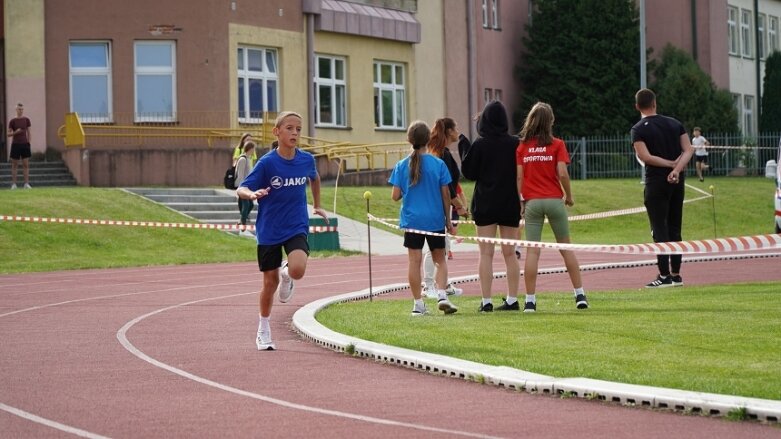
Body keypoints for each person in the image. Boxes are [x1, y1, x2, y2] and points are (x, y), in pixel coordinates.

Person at [236, 111, 328, 350]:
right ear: (277, 132)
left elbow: (315, 178)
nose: (295, 133)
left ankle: (288, 274)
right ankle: (263, 329)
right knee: (270, 282)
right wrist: (252, 194)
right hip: (269, 229)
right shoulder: (267, 163)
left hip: (296, 224)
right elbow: (241, 188)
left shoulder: (306, 160)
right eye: (289, 128)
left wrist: (317, 204)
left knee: (297, 269)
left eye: (298, 128)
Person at [516, 102, 588, 312]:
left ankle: (530, 300)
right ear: (551, 122)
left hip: (532, 202)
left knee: (532, 252)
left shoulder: (522, 147)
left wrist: (520, 200)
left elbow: (519, 176)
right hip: (554, 200)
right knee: (566, 248)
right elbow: (563, 173)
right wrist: (569, 196)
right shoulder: (557, 144)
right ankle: (580, 294)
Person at [389, 120, 458, 316]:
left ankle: (418, 304)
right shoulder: (438, 164)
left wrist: (408, 189)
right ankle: (442, 295)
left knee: (414, 262)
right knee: (440, 260)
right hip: (434, 219)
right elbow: (446, 195)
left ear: (409, 140)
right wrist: (448, 221)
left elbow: (395, 196)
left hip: (412, 221)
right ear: (428, 139)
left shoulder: (402, 166)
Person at [460, 100, 521, 312]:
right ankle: (512, 299)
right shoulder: (516, 144)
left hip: (485, 203)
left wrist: (463, 147)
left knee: (485, 254)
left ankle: (486, 301)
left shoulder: (480, 144)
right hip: (510, 202)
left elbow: (469, 173)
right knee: (510, 253)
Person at [631, 88, 694, 288]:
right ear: (655, 103)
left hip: (656, 182)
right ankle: (676, 274)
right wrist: (676, 169)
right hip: (677, 182)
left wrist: (668, 165)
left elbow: (645, 157)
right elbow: (688, 149)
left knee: (659, 228)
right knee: (675, 226)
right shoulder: (675, 124)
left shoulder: (638, 129)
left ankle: (664, 275)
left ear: (637, 107)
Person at [422, 118, 468, 298]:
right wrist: (460, 208)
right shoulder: (442, 154)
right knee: (436, 248)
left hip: (442, 204)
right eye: (456, 128)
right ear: (449, 131)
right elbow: (447, 187)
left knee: (444, 246)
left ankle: (444, 283)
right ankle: (428, 284)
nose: (458, 131)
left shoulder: (439, 152)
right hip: (439, 205)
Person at [7, 103, 32, 189]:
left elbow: (29, 132)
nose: (20, 111)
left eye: (22, 109)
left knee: (26, 164)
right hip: (15, 144)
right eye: (19, 109)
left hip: (25, 144)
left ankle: (26, 184)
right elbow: (8, 134)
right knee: (15, 165)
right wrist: (15, 132)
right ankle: (14, 184)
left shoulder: (26, 120)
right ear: (16, 110)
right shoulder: (12, 121)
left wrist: (29, 142)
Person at [234, 140, 256, 236]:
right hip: (243, 187)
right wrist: (242, 187)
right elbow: (240, 175)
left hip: (248, 186)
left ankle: (240, 221)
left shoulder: (248, 159)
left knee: (250, 205)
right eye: (253, 149)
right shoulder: (243, 159)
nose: (254, 151)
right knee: (246, 205)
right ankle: (243, 224)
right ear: (250, 149)